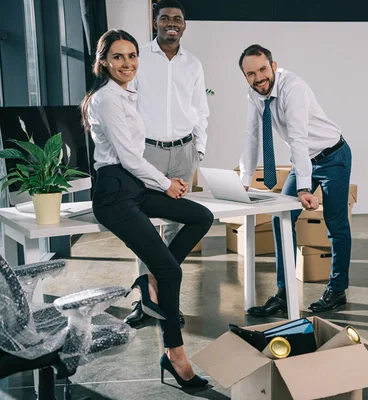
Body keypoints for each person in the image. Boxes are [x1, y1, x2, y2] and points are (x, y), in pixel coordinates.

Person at [81, 29, 213, 387]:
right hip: (114, 193)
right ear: (103, 61)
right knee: (173, 273)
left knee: (201, 216)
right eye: (118, 57)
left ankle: (152, 277)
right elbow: (127, 157)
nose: (127, 63)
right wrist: (166, 183)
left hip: (133, 186)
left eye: (132, 56)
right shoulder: (107, 100)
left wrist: (165, 182)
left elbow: (135, 158)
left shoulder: (128, 95)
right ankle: (176, 356)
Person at [238, 44, 353, 316]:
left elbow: (299, 138)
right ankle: (285, 292)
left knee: (336, 223)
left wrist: (303, 187)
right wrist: (243, 179)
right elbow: (251, 135)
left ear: (274, 66)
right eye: (251, 74)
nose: (258, 78)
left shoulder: (294, 89)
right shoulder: (254, 93)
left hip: (332, 156)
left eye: (263, 69)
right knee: (281, 217)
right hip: (304, 160)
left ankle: (337, 290)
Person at [123, 0, 210, 328]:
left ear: (184, 25)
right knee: (142, 226)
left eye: (177, 19)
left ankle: (164, 298)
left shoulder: (194, 64)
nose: (171, 23)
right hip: (149, 153)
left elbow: (201, 109)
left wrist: (198, 151)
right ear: (155, 23)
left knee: (177, 226)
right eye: (165, 18)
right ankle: (146, 301)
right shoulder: (139, 58)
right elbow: (127, 105)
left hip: (184, 153)